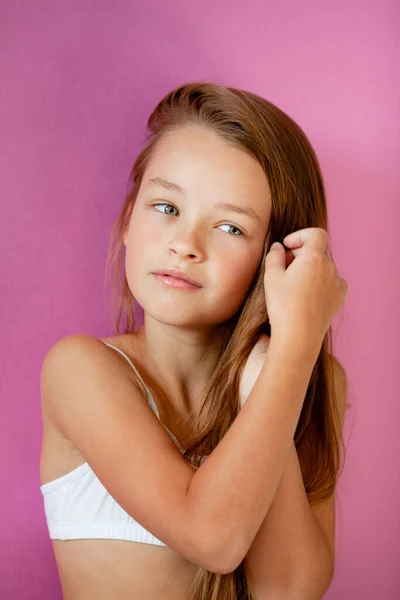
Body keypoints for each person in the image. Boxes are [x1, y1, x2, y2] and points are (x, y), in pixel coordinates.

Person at [39, 81, 348, 600]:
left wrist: (271, 371)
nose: (185, 244)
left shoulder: (309, 378)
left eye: (229, 228)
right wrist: (297, 346)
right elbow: (212, 537)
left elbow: (288, 591)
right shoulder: (82, 369)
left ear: (279, 258)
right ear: (128, 223)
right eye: (166, 207)